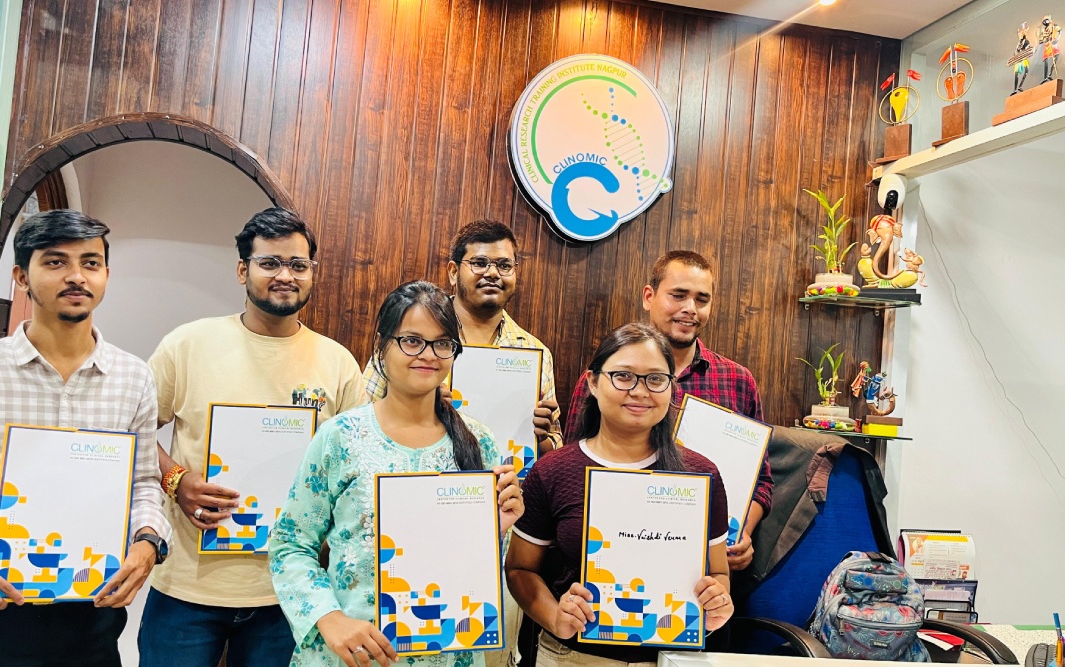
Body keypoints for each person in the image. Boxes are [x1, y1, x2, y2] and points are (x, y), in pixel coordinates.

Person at [0, 210, 170, 666]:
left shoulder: (133, 378)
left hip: (90, 614)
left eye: (91, 263)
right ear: (22, 276)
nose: (76, 276)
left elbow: (142, 482)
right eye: (55, 262)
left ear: (106, 274)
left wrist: (147, 542)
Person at [138, 208, 369, 666]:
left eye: (298, 265)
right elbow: (134, 430)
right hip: (187, 589)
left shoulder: (338, 362)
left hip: (290, 594)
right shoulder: (187, 345)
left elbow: (355, 467)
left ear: (312, 273)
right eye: (270, 263)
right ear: (243, 270)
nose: (285, 275)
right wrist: (175, 480)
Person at [269, 280, 524, 666]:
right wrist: (330, 618)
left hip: (446, 650)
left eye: (442, 343)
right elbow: (291, 543)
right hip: (352, 654)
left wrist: (497, 531)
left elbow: (472, 569)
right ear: (381, 346)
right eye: (412, 340)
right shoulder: (341, 436)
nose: (428, 355)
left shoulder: (480, 442)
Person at [507, 323, 733, 665]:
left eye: (656, 379)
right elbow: (520, 569)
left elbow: (719, 574)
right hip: (573, 656)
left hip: (672, 655)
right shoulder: (553, 471)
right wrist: (555, 617)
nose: (640, 391)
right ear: (593, 382)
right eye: (623, 376)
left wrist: (717, 603)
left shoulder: (701, 475)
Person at [563, 251, 771, 573]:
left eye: (702, 299)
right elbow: (572, 465)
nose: (690, 308)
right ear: (649, 296)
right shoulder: (605, 380)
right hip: (612, 556)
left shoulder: (737, 381)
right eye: (678, 295)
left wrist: (741, 532)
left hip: (702, 564)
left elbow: (761, 480)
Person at [363, 220, 561, 454]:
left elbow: (555, 444)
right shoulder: (409, 335)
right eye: (479, 263)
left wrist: (538, 437)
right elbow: (362, 419)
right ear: (454, 272)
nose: (493, 273)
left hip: (503, 474)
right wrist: (417, 406)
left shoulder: (534, 352)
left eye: (504, 265)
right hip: (414, 469)